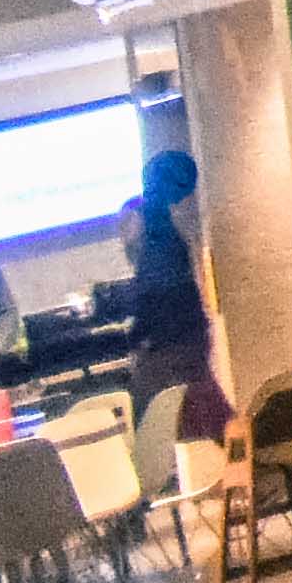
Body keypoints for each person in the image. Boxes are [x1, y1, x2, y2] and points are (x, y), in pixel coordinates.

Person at [115, 150, 217, 514]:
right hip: (188, 333)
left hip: (171, 342)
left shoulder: (155, 233)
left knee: (139, 419)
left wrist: (135, 336)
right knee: (209, 406)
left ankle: (130, 503)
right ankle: (253, 461)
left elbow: (157, 293)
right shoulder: (170, 230)